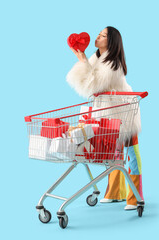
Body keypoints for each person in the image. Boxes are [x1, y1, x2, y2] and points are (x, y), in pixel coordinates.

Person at [66, 26, 144, 210]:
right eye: (99, 34)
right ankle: (115, 193)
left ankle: (135, 197)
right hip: (108, 113)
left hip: (125, 112)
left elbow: (92, 86)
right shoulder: (97, 58)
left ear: (111, 42)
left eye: (103, 35)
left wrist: (83, 60)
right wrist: (84, 60)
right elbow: (84, 82)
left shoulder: (113, 63)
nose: (98, 36)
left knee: (130, 154)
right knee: (113, 154)